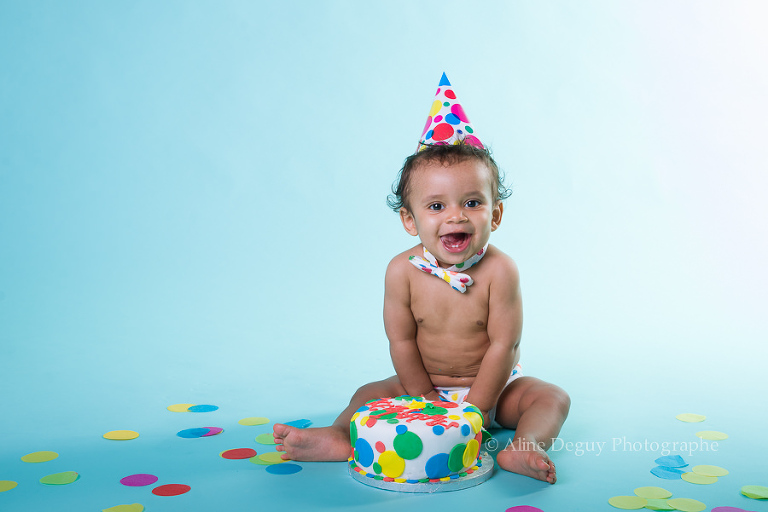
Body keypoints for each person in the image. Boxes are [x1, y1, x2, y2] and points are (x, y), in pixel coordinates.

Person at [273, 74, 570, 484]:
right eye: (436, 205)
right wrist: (424, 400)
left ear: (495, 215)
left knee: (551, 397)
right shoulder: (402, 271)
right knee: (367, 394)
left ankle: (524, 445)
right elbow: (402, 340)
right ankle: (340, 436)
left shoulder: (501, 271)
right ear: (410, 220)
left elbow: (506, 344)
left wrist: (477, 410)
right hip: (421, 386)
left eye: (472, 202)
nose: (456, 215)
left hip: (494, 389)